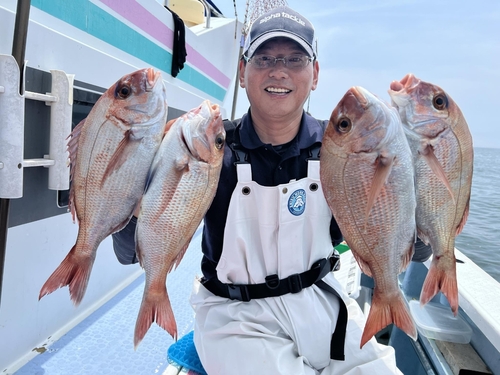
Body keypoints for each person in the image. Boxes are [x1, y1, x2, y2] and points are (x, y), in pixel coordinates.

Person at [113, 6, 430, 374]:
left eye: (295, 59)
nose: (279, 69)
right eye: (264, 58)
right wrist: (126, 196)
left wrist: (416, 180)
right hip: (234, 318)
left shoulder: (343, 151)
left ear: (315, 74)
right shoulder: (210, 150)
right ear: (243, 72)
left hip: (321, 303)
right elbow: (128, 253)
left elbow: (418, 248)